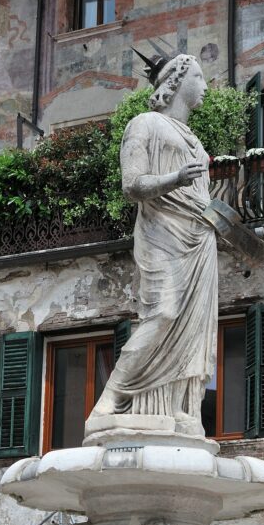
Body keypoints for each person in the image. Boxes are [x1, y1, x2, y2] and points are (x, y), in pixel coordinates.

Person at [86, 54, 218, 438]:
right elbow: (132, 185)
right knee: (162, 312)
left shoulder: (195, 140)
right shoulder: (143, 124)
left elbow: (203, 195)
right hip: (162, 229)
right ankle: (111, 398)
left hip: (200, 237)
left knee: (192, 327)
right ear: (176, 81)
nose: (205, 86)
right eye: (199, 76)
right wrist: (175, 178)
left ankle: (178, 408)